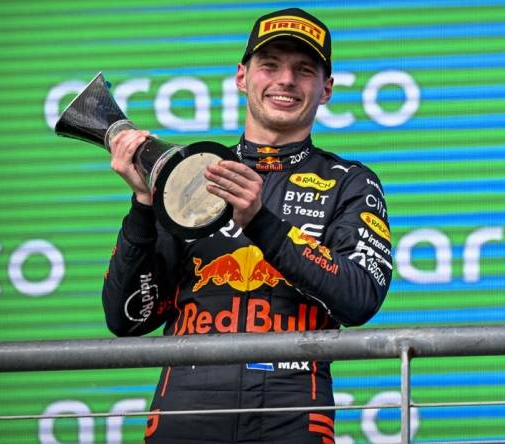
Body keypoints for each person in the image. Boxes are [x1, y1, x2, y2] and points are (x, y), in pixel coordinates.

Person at [102, 7, 393, 443]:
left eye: (304, 70)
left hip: (293, 406)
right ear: (242, 77)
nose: (286, 80)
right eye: (269, 66)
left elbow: (360, 297)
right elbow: (128, 318)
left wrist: (261, 222)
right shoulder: (193, 174)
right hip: (186, 402)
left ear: (327, 88)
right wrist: (144, 205)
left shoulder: (350, 182)